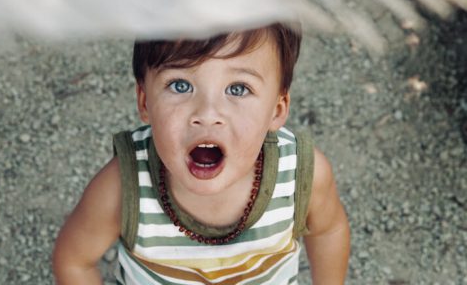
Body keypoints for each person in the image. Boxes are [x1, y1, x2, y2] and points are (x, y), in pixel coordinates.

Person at [52, 22, 350, 284]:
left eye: (237, 89)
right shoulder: (122, 188)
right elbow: (74, 260)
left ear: (277, 109)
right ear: (144, 102)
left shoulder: (300, 175)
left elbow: (328, 231)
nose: (207, 114)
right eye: (180, 85)